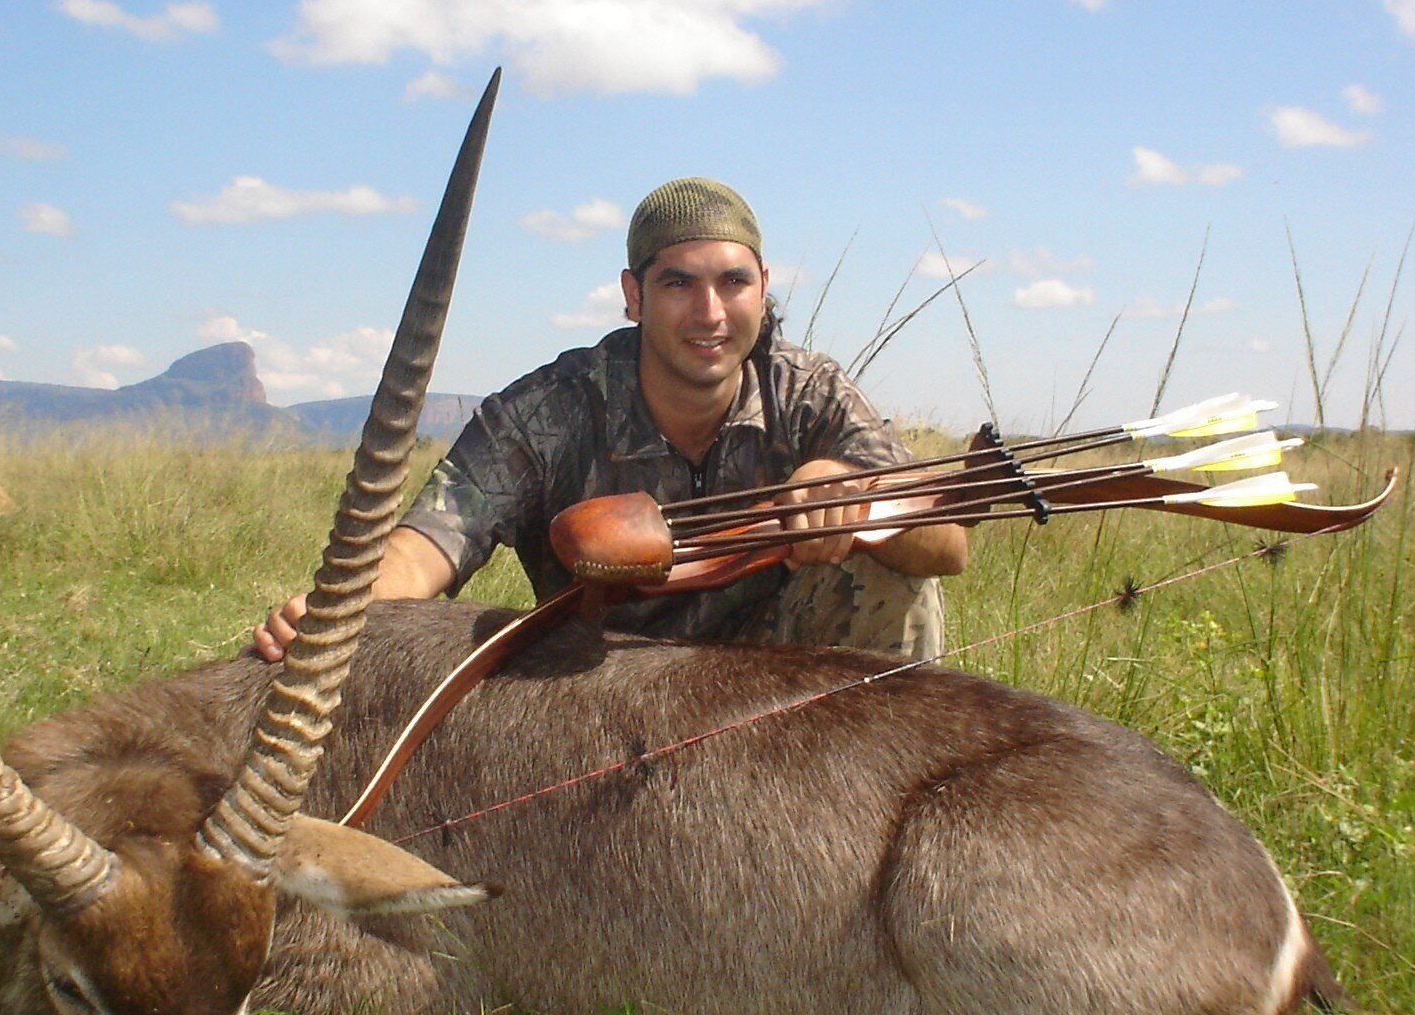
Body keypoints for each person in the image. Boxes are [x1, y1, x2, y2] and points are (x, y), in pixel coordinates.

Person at [254, 177, 968, 662]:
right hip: (603, 700)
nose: (710, 313)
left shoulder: (811, 392)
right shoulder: (549, 410)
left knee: (890, 579)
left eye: (733, 282)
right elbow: (428, 544)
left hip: (771, 679)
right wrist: (337, 611)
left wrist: (855, 494)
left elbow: (948, 545)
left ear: (763, 286)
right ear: (634, 296)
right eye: (679, 283)